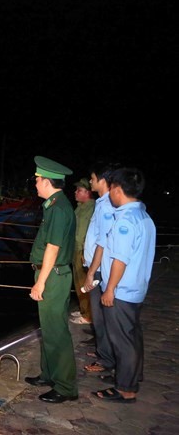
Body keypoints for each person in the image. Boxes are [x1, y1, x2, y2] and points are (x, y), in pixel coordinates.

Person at [91, 167, 155, 403]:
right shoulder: (144, 217)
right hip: (136, 289)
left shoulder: (125, 220)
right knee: (132, 335)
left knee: (122, 341)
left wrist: (109, 289)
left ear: (117, 189)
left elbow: (120, 259)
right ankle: (131, 376)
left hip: (121, 291)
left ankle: (126, 389)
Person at [24, 156, 78, 404]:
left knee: (56, 332)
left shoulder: (58, 208)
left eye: (37, 180)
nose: (35, 184)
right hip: (52, 273)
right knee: (48, 328)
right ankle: (49, 374)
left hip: (53, 275)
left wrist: (41, 282)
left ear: (46, 181)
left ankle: (66, 387)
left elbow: (53, 248)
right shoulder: (56, 204)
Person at [82, 162, 120, 375]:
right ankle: (103, 352)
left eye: (93, 178)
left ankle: (106, 359)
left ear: (103, 180)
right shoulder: (102, 203)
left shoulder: (106, 206)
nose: (90, 182)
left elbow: (102, 243)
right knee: (99, 316)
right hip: (94, 266)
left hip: (98, 270)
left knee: (100, 316)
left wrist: (90, 272)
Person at [70, 178, 95, 325]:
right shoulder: (80, 207)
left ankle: (88, 316)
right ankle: (84, 310)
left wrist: (86, 253)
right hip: (75, 249)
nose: (75, 192)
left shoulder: (92, 208)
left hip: (83, 252)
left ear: (87, 193)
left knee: (83, 284)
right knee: (78, 283)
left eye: (79, 190)